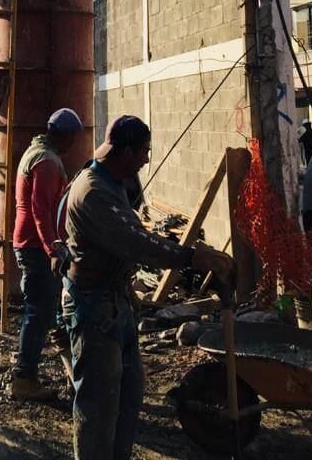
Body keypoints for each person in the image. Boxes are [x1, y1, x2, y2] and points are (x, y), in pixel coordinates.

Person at [63, 115, 234, 460]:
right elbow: (138, 244)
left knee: (128, 394)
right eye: (143, 152)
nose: (146, 159)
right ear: (124, 152)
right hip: (94, 309)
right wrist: (193, 257)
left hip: (115, 302)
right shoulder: (94, 192)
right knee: (99, 405)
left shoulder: (113, 180)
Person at [12, 107, 85, 401]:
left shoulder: (36, 151)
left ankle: (70, 375)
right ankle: (24, 377)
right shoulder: (48, 162)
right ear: (63, 135)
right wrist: (53, 247)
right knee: (38, 312)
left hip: (28, 242)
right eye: (73, 138)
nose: (75, 144)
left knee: (47, 313)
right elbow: (40, 209)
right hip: (36, 246)